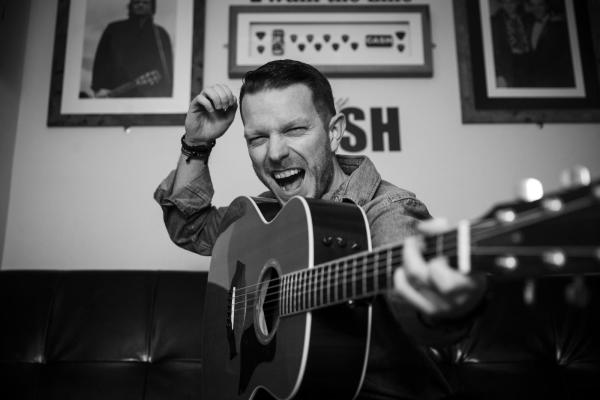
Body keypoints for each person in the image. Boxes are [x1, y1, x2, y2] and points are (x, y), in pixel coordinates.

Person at [154, 60, 487, 399]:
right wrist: (196, 144)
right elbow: (190, 228)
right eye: (258, 138)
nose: (275, 153)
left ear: (334, 132)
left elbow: (417, 305)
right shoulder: (262, 217)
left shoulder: (388, 212)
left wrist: (439, 306)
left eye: (294, 130)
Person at [91, 0, 173, 98]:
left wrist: (169, 93)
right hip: (117, 91)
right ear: (131, 6)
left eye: (145, 2)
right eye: (136, 2)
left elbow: (167, 67)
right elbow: (101, 59)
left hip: (151, 93)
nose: (140, 5)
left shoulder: (161, 34)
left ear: (152, 6)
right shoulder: (114, 29)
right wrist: (98, 87)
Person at [523, 0, 575, 87]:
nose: (536, 9)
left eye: (540, 5)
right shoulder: (527, 21)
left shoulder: (559, 24)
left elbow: (565, 57)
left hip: (552, 80)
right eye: (533, 5)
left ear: (547, 5)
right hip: (532, 80)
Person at [490, 0, 531, 87]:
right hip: (508, 64)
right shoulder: (495, 21)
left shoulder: (526, 18)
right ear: (501, 3)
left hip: (526, 62)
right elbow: (494, 49)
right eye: (505, 2)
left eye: (512, 2)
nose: (509, 5)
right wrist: (498, 73)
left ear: (517, 2)